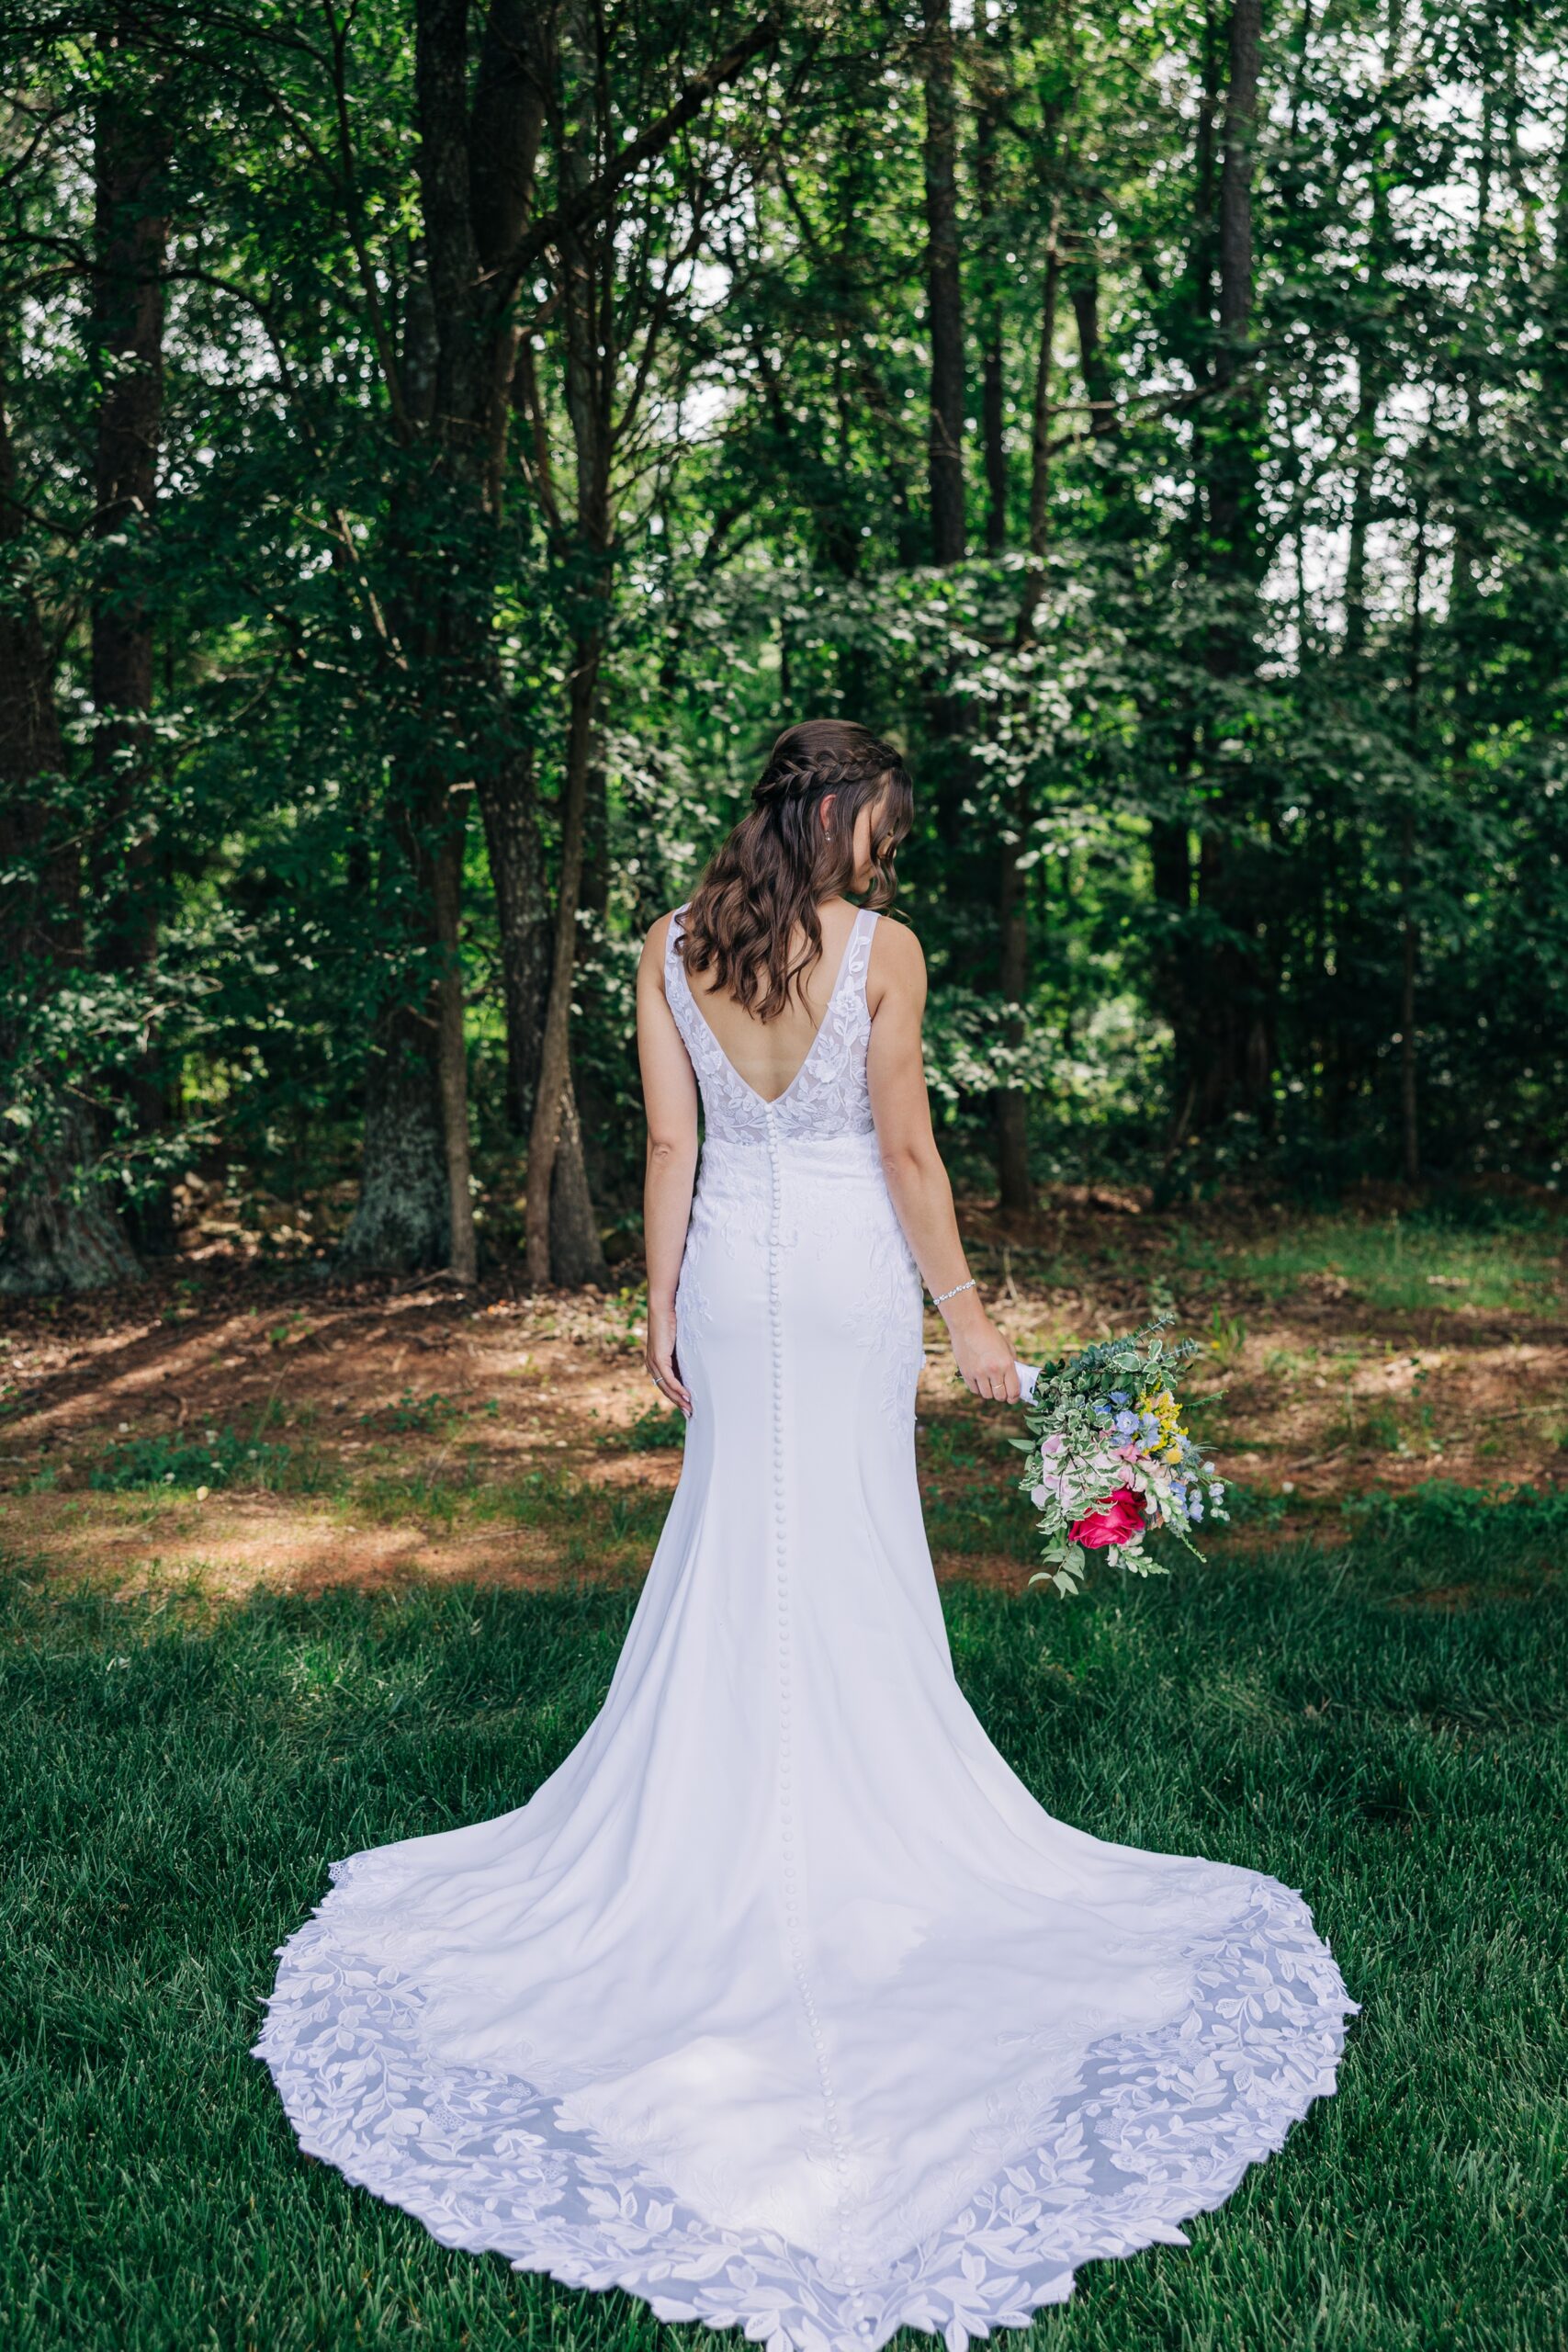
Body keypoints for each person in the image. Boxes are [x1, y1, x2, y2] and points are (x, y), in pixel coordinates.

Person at [255, 719, 1357, 2352]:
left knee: (743, 1536)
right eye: (880, 829)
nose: (885, 859)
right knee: (837, 1537)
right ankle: (854, 1817)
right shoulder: (882, 953)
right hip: (844, 1276)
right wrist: (971, 1318)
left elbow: (672, 1147)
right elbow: (906, 1148)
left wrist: (657, 1305)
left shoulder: (665, 948)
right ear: (838, 813)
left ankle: (732, 1817)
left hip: (733, 1273)